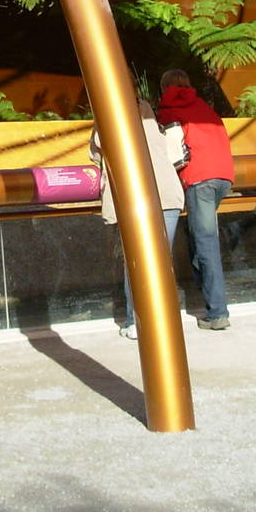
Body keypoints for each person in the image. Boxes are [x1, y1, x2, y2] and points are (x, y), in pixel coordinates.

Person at [89, 96, 186, 339]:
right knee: (162, 262)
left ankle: (136, 321)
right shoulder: (148, 113)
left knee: (136, 262)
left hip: (134, 198)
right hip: (166, 194)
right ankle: (163, 321)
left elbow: (96, 152)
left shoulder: (107, 114)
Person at [155, 69, 235, 330]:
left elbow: (167, 148)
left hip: (198, 180)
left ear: (164, 86)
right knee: (199, 239)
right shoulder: (204, 107)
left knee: (206, 245)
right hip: (223, 177)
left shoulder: (168, 107)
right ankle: (207, 301)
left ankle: (217, 313)